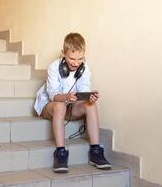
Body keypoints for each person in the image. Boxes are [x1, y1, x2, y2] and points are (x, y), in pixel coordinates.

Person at [34, 33, 111, 173]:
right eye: (72, 58)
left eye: (80, 59)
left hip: (70, 106)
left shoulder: (84, 68)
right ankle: (61, 153)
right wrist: (66, 97)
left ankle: (96, 152)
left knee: (91, 105)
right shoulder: (53, 67)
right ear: (64, 53)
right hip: (51, 105)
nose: (76, 63)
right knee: (60, 105)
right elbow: (53, 96)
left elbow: (83, 92)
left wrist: (89, 98)